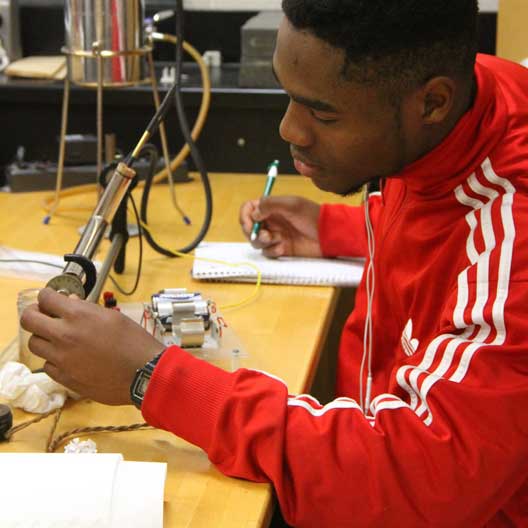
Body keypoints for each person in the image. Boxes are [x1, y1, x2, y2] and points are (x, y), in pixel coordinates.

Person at [20, 1, 528, 526]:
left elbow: (426, 477)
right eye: (289, 97)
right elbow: (450, 225)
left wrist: (153, 377)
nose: (290, 129)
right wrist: (336, 228)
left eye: (323, 114)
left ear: (433, 103)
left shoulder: (514, 222)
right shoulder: (463, 101)